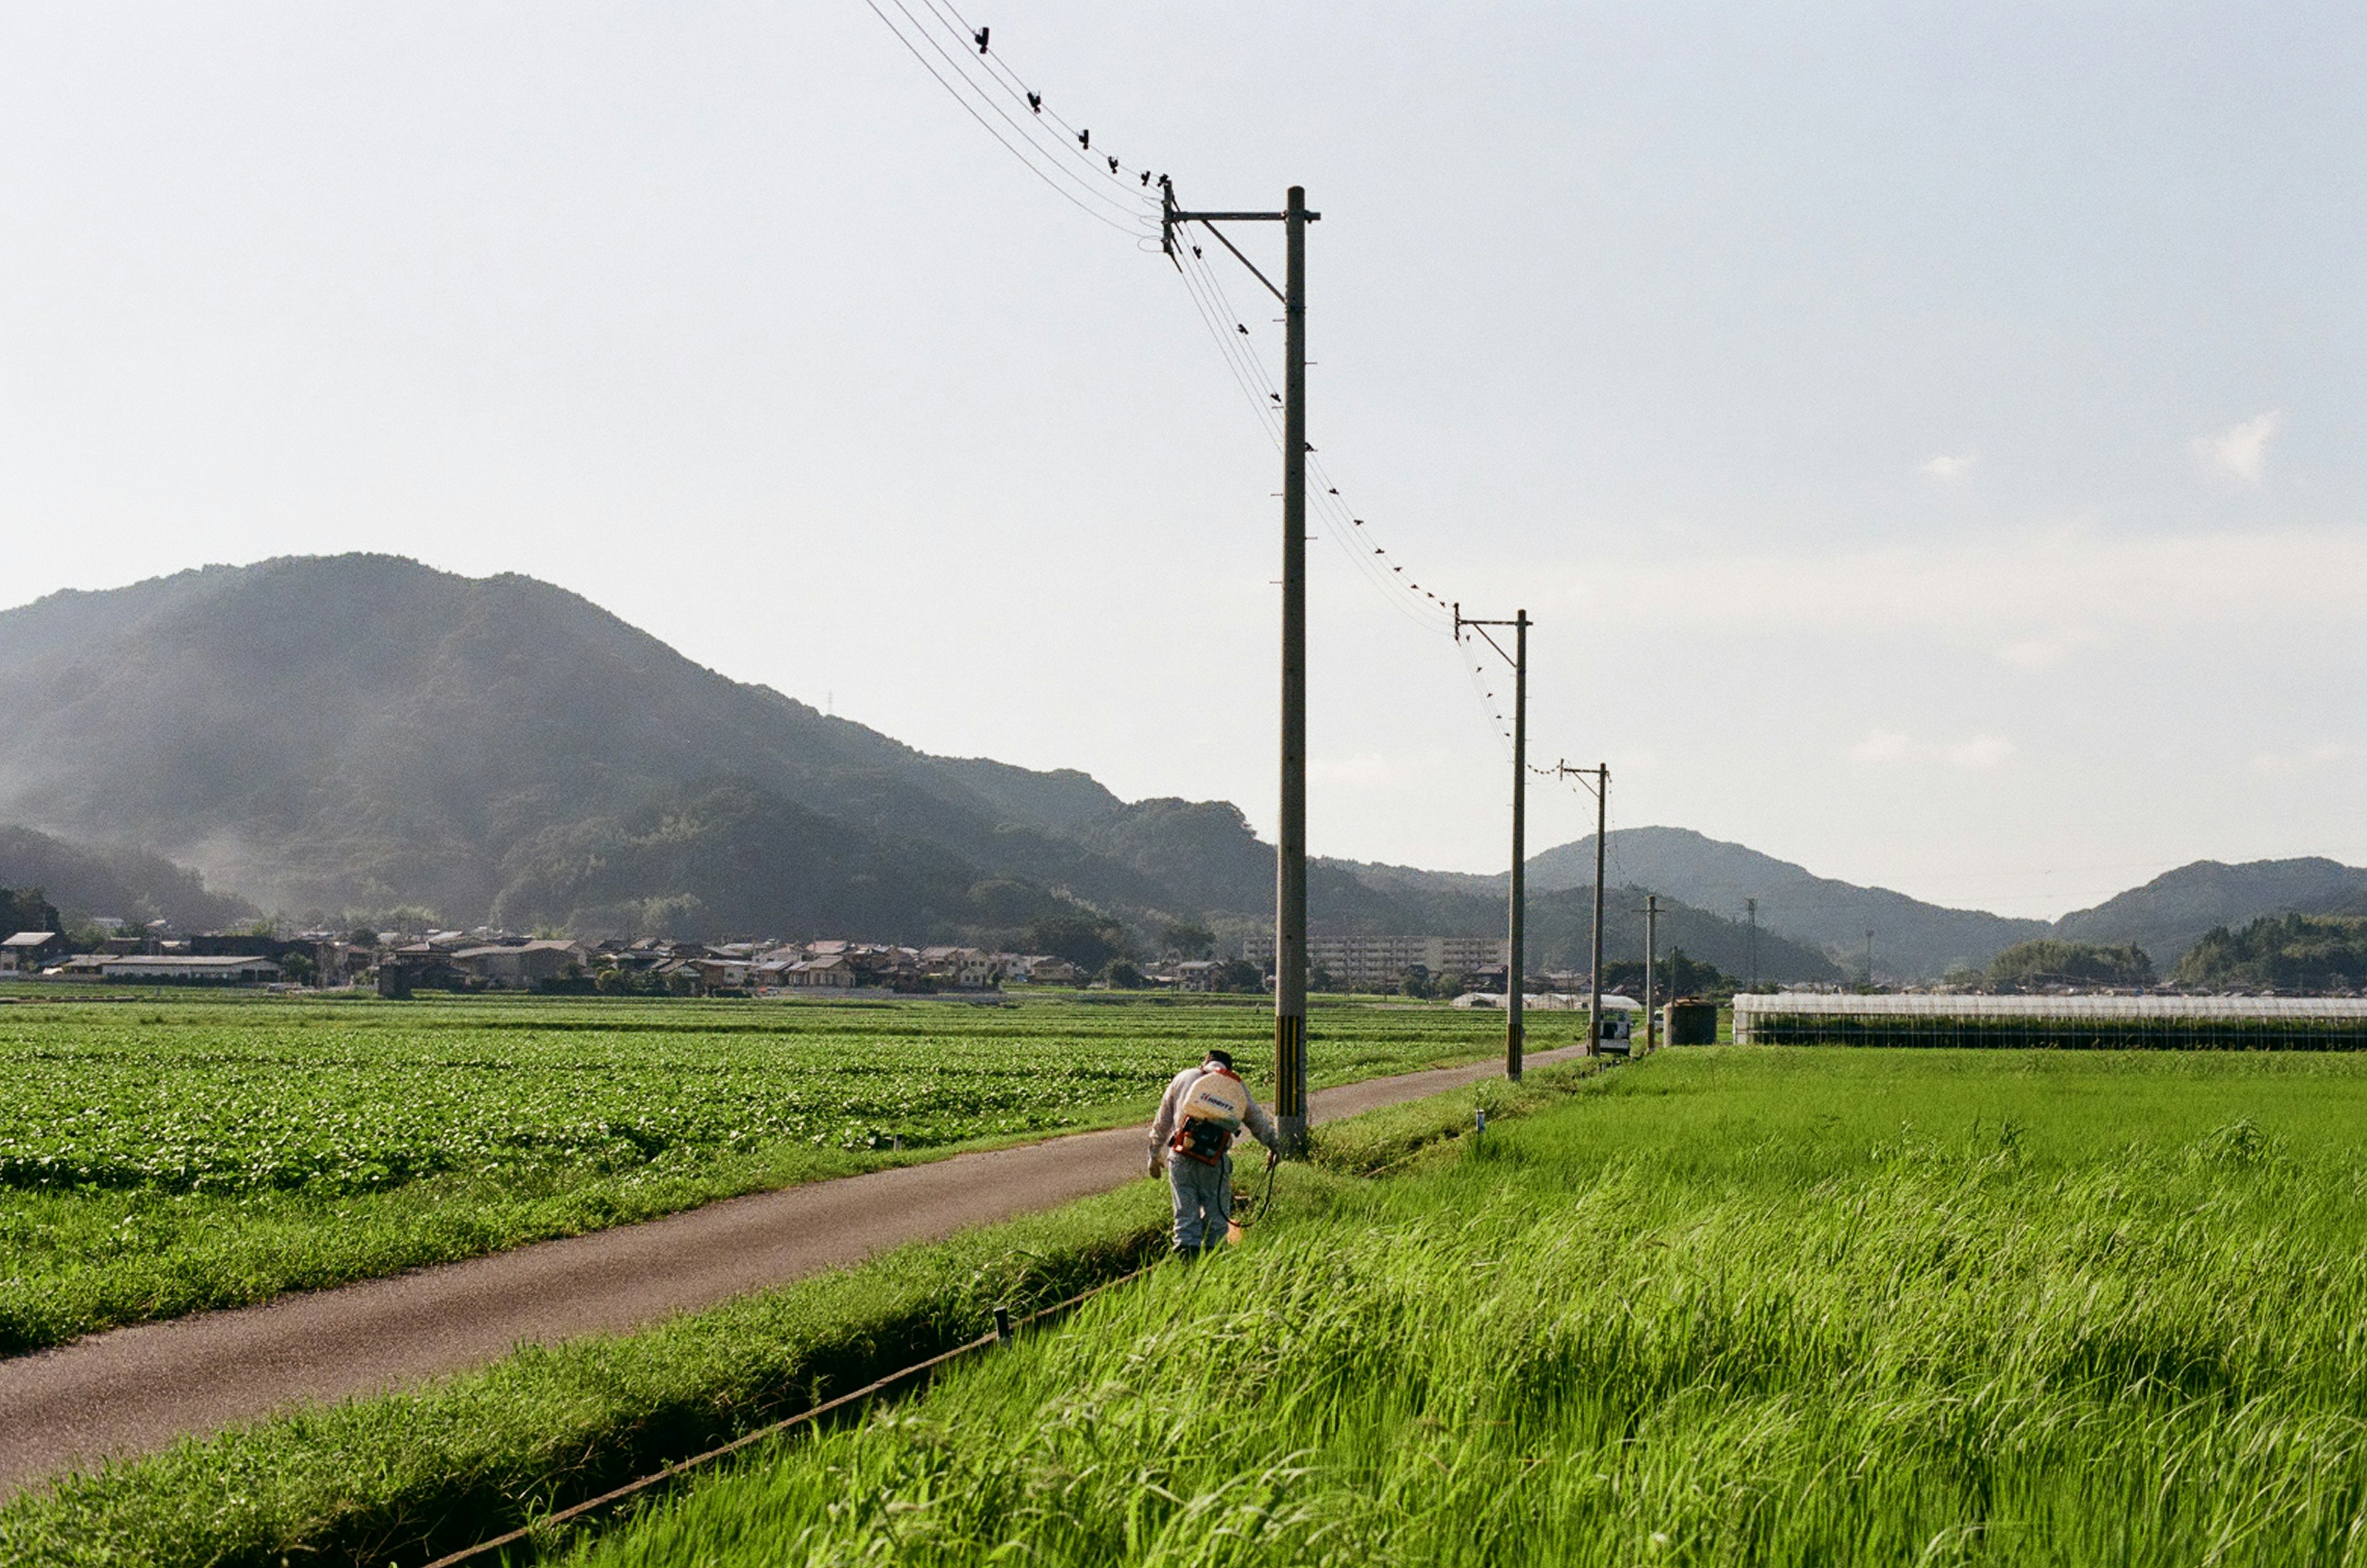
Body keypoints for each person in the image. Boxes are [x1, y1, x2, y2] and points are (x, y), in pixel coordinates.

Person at [1148, 1048, 1278, 1256]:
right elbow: (1255, 1119)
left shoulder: (1183, 1078)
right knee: (1216, 1220)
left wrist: (1154, 1154)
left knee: (1185, 1217)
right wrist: (1273, 1145)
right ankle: (1213, 1265)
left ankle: (1185, 1266)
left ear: (1205, 1063)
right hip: (1214, 1160)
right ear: (1228, 1069)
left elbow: (1162, 1121)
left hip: (1181, 1155)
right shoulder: (1235, 1086)